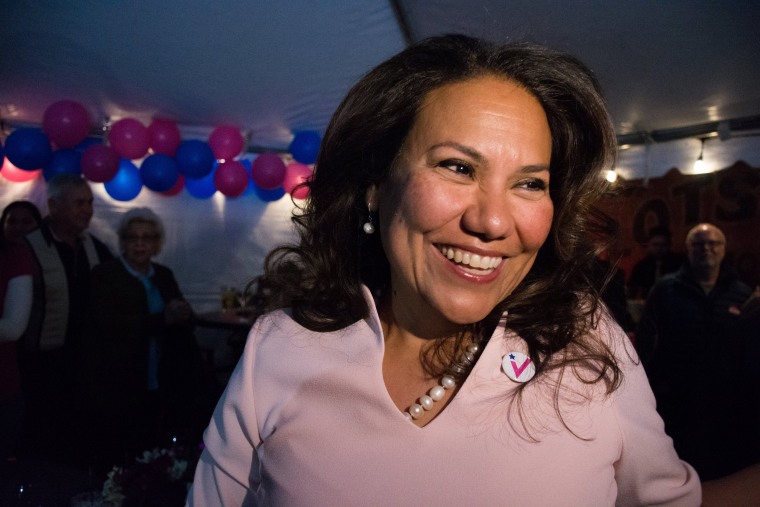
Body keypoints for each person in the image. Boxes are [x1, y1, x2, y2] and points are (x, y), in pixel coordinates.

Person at [187, 35, 701, 506]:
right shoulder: (279, 348)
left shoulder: (586, 342)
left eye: (529, 184)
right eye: (458, 167)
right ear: (375, 184)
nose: (493, 221)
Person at [78, 207, 207, 472]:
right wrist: (163, 319)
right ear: (122, 241)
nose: (139, 244)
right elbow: (108, 324)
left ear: (156, 243)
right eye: (132, 238)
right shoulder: (106, 275)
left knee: (152, 450)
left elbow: (182, 317)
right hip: (119, 381)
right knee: (118, 453)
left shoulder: (162, 274)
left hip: (160, 378)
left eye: (147, 238)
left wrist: (184, 313)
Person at [636, 223, 757, 482]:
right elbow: (647, 343)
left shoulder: (741, 293)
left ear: (724, 249)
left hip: (725, 405)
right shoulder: (665, 290)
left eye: (713, 243)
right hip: (677, 402)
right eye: (698, 244)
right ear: (688, 250)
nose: (706, 249)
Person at [18, 174, 113, 462]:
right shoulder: (26, 248)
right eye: (79, 203)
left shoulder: (96, 248)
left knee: (77, 434)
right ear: (53, 206)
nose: (87, 210)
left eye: (90, 203)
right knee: (41, 434)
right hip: (40, 363)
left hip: (84, 360)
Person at [0, 202, 39, 463]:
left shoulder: (16, 256)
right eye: (12, 221)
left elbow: (13, 327)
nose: (18, 228)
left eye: (26, 222)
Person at [627, 226, 685, 300]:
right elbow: (632, 289)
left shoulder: (679, 263)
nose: (659, 249)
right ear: (649, 245)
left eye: (663, 245)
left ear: (669, 245)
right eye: (655, 245)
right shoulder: (641, 266)